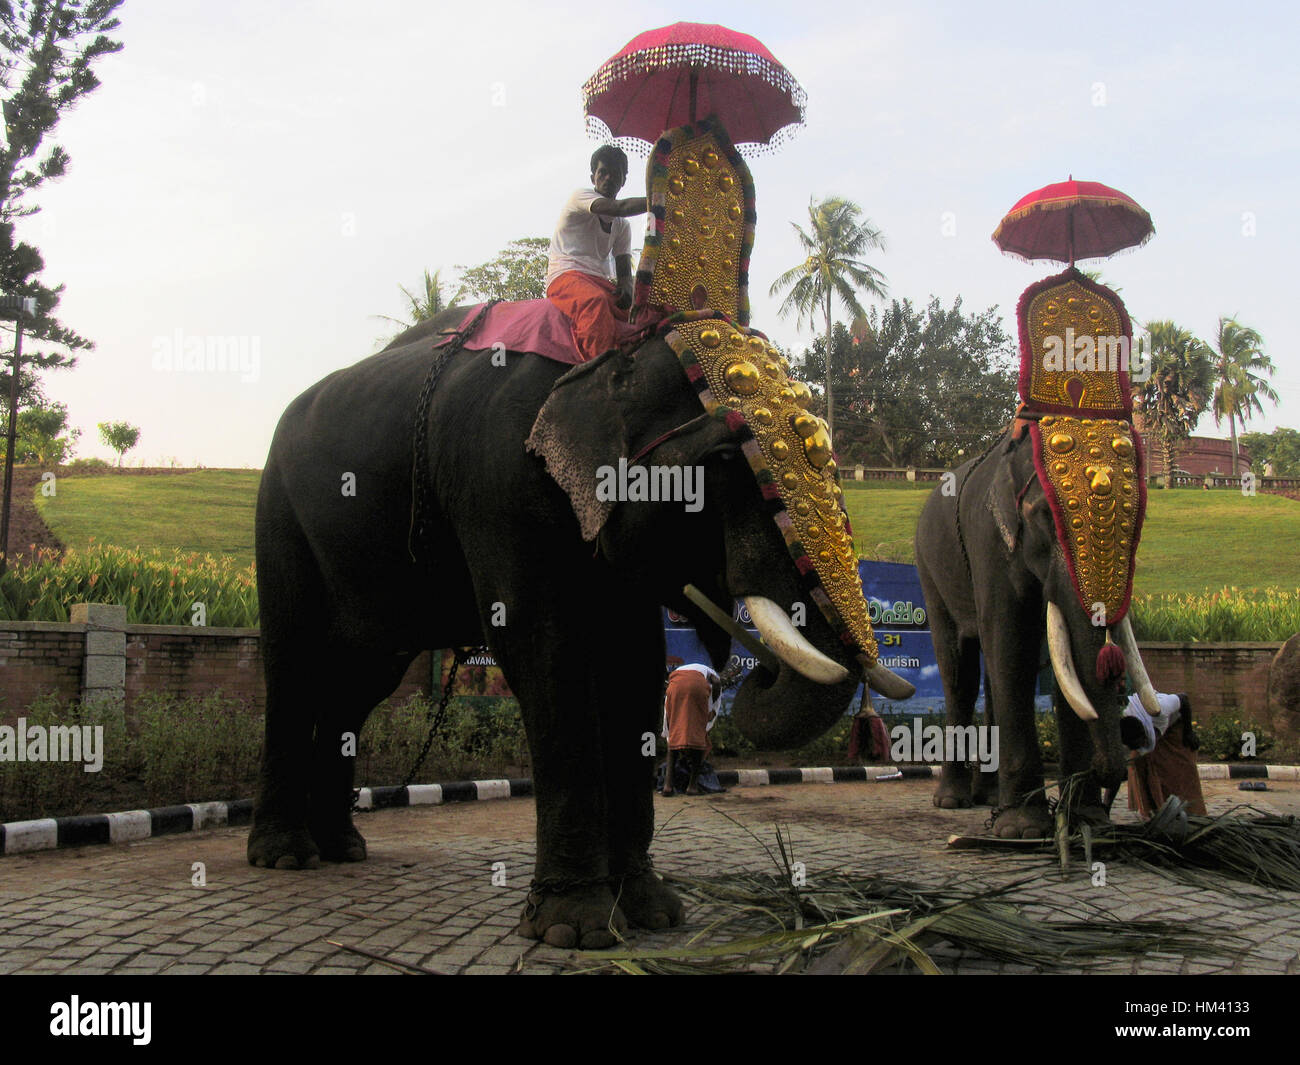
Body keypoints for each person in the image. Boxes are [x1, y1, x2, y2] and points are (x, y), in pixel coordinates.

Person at [545, 145, 647, 362]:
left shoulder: (622, 226)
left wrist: (628, 293)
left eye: (615, 173)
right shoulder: (580, 197)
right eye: (603, 172)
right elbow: (619, 207)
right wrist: (661, 199)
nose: (608, 178)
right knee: (595, 302)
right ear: (593, 177)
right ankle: (602, 368)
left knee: (643, 315)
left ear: (624, 180)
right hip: (565, 277)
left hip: (598, 281)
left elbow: (624, 274)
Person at [1121, 690, 1208, 817]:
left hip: (1174, 724)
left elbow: (1184, 698)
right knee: (1140, 766)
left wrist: (1189, 732)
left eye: (1142, 744)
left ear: (1144, 735)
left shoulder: (1161, 707)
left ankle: (1192, 812)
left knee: (1181, 770)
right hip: (1152, 731)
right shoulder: (1128, 724)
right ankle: (1153, 812)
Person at [661, 663, 720, 797]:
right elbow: (716, 682)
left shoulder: (682, 671)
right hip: (696, 687)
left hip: (674, 688)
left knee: (673, 738)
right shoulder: (712, 677)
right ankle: (692, 787)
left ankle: (667, 786)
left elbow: (669, 724)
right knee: (699, 739)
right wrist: (713, 706)